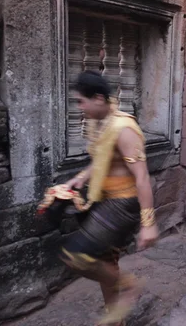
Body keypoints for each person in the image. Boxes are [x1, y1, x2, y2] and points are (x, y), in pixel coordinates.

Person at [48, 70, 158, 326]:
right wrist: (80, 178)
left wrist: (149, 223)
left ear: (98, 98)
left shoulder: (125, 129)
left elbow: (142, 177)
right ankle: (115, 320)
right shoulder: (103, 123)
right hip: (104, 200)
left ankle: (129, 287)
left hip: (124, 203)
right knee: (106, 261)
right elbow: (102, 161)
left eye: (81, 101)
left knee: (75, 255)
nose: (79, 107)